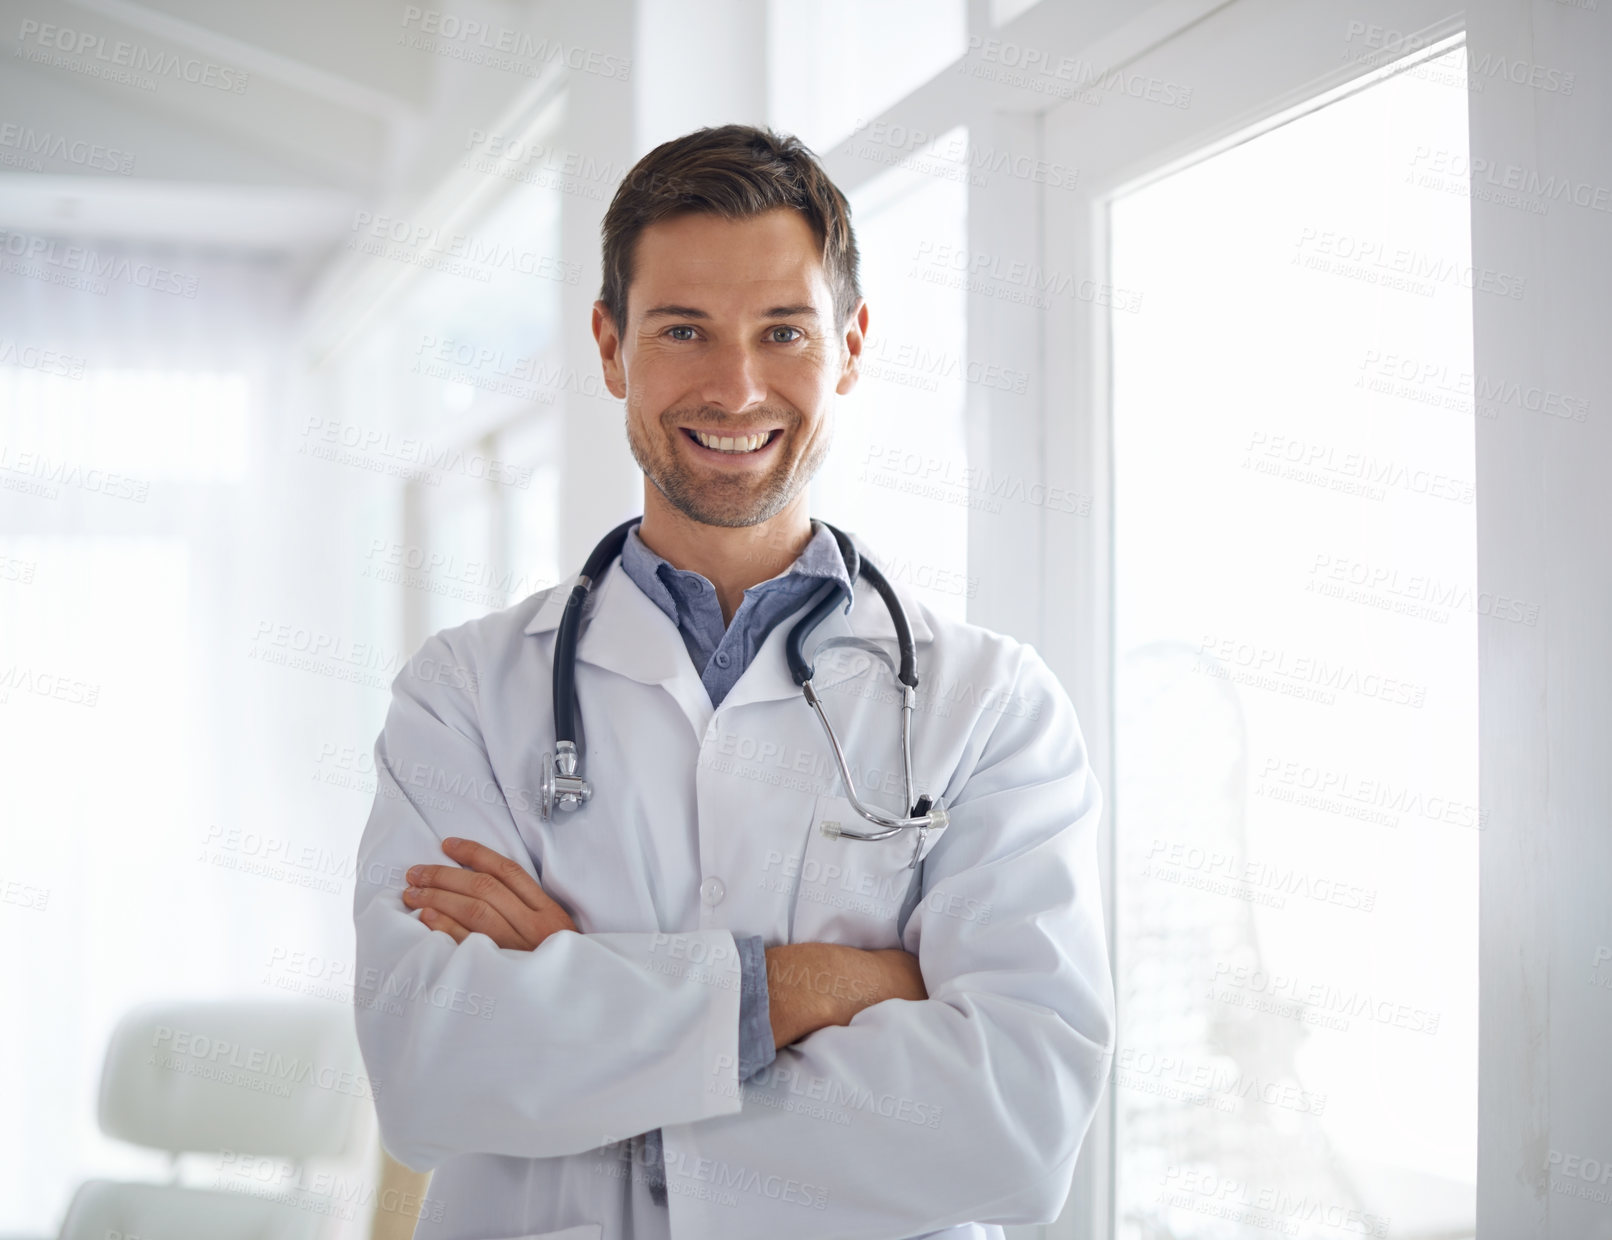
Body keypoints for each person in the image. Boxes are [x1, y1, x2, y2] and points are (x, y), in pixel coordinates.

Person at [352, 123, 1114, 1240]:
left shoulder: (992, 704)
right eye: (682, 329)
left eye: (784, 331)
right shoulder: (461, 693)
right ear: (611, 347)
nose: (736, 385)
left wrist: (576, 1018)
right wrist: (823, 984)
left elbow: (1017, 1124)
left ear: (849, 346)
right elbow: (426, 1069)